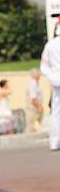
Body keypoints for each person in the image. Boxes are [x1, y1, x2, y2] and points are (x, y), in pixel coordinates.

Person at [40, 21, 60, 150]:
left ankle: (55, 141)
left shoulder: (50, 45)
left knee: (56, 112)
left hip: (57, 81)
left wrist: (53, 79)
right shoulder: (51, 45)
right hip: (57, 81)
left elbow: (44, 67)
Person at [25, 68, 43, 133]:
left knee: (35, 124)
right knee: (31, 125)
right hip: (33, 107)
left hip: (35, 106)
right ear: (35, 75)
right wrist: (39, 107)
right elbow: (34, 98)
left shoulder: (36, 83)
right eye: (39, 74)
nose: (40, 75)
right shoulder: (33, 84)